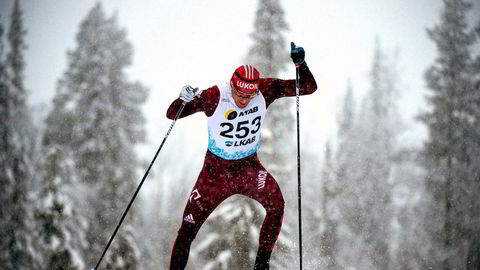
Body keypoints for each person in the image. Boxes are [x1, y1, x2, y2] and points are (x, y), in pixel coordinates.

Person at [166, 42, 317, 270]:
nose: (244, 100)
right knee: (187, 230)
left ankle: (261, 265)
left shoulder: (265, 89)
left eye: (250, 95)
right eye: (240, 95)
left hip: (248, 169)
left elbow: (307, 87)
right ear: (232, 86)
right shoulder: (215, 95)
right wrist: (182, 99)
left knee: (277, 204)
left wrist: (301, 64)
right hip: (214, 176)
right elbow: (172, 114)